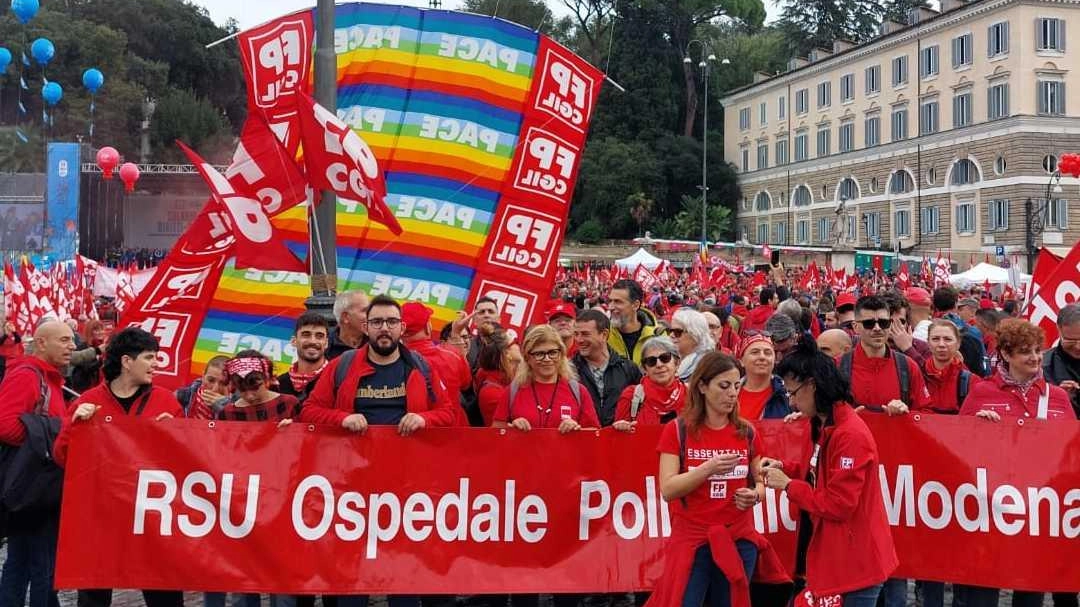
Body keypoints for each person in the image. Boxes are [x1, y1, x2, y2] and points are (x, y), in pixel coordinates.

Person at [763, 336, 898, 607]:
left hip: (855, 564)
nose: (791, 402)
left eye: (793, 393)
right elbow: (817, 473)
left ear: (812, 385)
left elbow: (839, 504)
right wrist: (784, 469)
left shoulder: (848, 433)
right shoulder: (827, 424)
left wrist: (788, 485)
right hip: (840, 559)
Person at [54, 327, 184, 607]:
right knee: (93, 594)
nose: (155, 364)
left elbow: (183, 464)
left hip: (150, 516)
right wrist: (76, 427)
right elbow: (62, 457)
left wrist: (174, 435)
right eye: (149, 357)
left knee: (164, 594)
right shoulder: (88, 401)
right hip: (101, 516)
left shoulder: (166, 401)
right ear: (127, 361)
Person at [647, 352, 787, 607]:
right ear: (702, 386)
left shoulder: (746, 431)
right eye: (724, 386)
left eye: (736, 386)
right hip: (692, 540)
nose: (732, 393)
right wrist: (707, 469)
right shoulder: (678, 430)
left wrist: (755, 494)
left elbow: (761, 482)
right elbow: (667, 489)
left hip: (738, 538)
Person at [300, 294, 457, 433]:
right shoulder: (341, 365)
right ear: (365, 327)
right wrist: (342, 419)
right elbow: (309, 411)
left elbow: (448, 413)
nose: (384, 328)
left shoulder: (421, 367)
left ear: (402, 328)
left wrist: (424, 419)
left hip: (409, 461)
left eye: (392, 321)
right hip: (354, 462)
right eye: (376, 322)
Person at [0, 320, 74, 607]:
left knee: (22, 561)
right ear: (42, 343)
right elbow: (5, 425)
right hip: (34, 485)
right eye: (64, 340)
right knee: (38, 565)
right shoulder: (28, 375)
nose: (72, 346)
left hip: (35, 484)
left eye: (71, 340)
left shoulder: (45, 376)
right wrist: (46, 440)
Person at [961, 318, 1075, 422]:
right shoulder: (981, 391)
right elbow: (960, 437)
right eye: (1025, 352)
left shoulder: (1058, 395)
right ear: (1005, 354)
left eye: (1038, 350)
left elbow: (1072, 441)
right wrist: (978, 425)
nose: (1035, 358)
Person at [493, 324, 599, 433]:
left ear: (561, 354)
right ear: (527, 358)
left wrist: (577, 430)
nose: (547, 359)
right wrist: (512, 429)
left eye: (553, 352)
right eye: (539, 354)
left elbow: (594, 434)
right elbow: (496, 433)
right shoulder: (513, 390)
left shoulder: (578, 391)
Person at [838, 296, 930, 415]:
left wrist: (905, 413)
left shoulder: (908, 367)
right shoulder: (838, 366)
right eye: (869, 323)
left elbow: (925, 414)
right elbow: (823, 415)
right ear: (855, 327)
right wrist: (844, 417)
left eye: (883, 323)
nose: (877, 328)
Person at [401, 302, 472, 425]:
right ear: (428, 327)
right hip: (455, 432)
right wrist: (455, 336)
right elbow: (466, 383)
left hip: (416, 435)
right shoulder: (451, 355)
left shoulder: (394, 362)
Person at [572, 309, 641, 427]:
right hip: (583, 441)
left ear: (604, 335)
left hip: (619, 441)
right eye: (576, 334)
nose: (579, 340)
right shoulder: (568, 370)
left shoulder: (628, 369)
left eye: (585, 334)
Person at [612, 336, 686, 430]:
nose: (659, 365)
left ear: (677, 362)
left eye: (665, 358)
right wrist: (621, 428)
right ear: (645, 368)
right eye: (651, 361)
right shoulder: (631, 396)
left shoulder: (691, 394)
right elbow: (618, 440)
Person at [920, 320, 976, 414]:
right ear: (928, 343)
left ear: (958, 343)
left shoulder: (971, 381)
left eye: (947, 339)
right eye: (935, 339)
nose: (941, 344)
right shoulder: (916, 375)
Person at [932, 287, 989, 377]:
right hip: (970, 382)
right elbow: (984, 366)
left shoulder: (927, 329)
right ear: (956, 304)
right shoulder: (973, 331)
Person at [472, 323, 521, 426]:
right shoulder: (491, 392)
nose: (519, 345)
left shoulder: (511, 378)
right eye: (515, 342)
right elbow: (501, 430)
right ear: (507, 353)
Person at [608, 279, 662, 365]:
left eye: (618, 302)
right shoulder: (603, 336)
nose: (610, 307)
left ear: (635, 305)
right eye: (610, 301)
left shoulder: (659, 336)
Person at [736, 334, 790, 420]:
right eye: (755, 352)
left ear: (774, 359)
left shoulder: (787, 393)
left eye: (768, 353)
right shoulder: (730, 393)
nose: (762, 357)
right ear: (741, 361)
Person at [277, 312, 330, 397]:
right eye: (306, 335)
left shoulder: (336, 379)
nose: (313, 341)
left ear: (326, 343)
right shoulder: (278, 385)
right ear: (294, 341)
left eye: (319, 336)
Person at [1042, 303, 1080, 419]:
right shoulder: (1042, 366)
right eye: (1070, 340)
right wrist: (1057, 396)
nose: (1078, 347)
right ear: (1059, 330)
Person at [671, 308, 716, 382]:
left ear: (695, 334)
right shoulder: (668, 359)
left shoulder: (706, 369)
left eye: (677, 332)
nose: (671, 335)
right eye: (671, 330)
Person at [328, 290, 369, 360]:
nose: (371, 315)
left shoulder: (375, 342)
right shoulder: (325, 345)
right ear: (346, 317)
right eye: (365, 310)